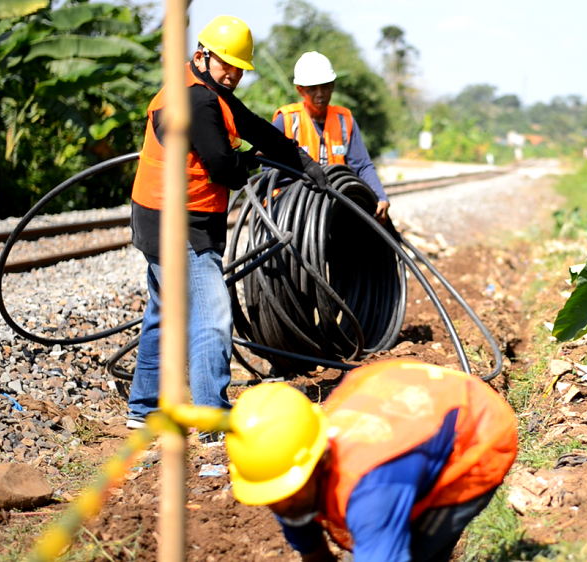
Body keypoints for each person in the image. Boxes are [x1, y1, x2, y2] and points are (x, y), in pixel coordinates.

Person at [126, 15, 329, 435]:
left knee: (163, 313)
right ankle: (212, 419)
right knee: (212, 315)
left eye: (238, 67)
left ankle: (143, 409)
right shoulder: (198, 101)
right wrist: (249, 163)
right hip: (179, 224)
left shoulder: (203, 88)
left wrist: (302, 161)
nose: (233, 74)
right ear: (202, 55)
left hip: (156, 217)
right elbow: (223, 167)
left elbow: (253, 126)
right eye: (226, 65)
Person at [226, 359, 518, 562]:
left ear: (318, 462)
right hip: (396, 394)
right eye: (269, 496)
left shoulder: (372, 493)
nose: (279, 505)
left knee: (417, 550)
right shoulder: (283, 466)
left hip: (476, 430)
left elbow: (372, 513)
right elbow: (311, 547)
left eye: (286, 495)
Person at [273, 51, 391, 223]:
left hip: (336, 203)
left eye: (325, 86)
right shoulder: (287, 120)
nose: (320, 93)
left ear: (333, 86)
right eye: (312, 89)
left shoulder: (345, 120)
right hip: (293, 208)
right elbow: (269, 169)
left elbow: (362, 165)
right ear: (300, 91)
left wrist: (380, 197)